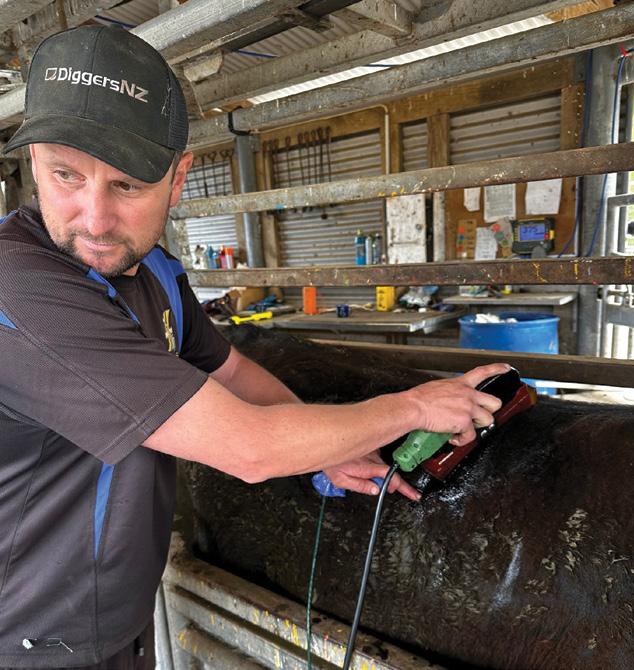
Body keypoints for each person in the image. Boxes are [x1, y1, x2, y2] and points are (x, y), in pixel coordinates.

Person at [0, 25, 507, 670]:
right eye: (65, 175)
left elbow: (232, 370)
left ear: (178, 179)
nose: (94, 219)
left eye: (126, 186)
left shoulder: (155, 273)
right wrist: (413, 407)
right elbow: (249, 448)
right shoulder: (20, 292)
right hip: (29, 637)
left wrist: (329, 454)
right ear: (33, 161)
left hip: (114, 614)